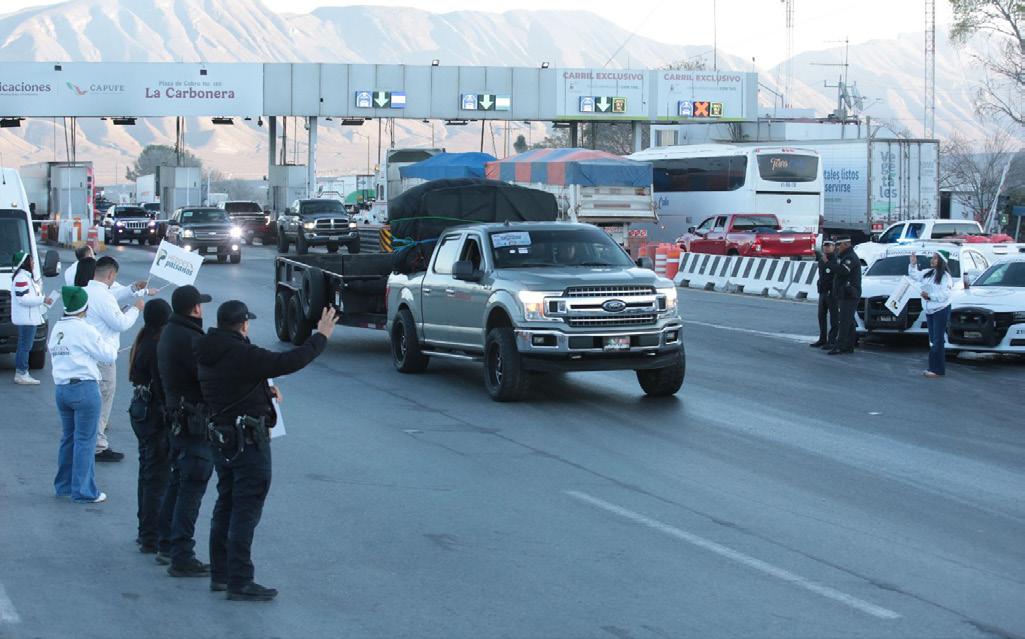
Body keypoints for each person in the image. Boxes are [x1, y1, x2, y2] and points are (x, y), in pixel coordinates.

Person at [196, 301, 336, 601]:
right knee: (245, 510)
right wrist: (321, 336)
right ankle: (240, 580)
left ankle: (221, 573)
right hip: (247, 442)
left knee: (226, 504)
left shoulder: (207, 349)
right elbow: (289, 361)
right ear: (243, 324)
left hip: (222, 438)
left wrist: (264, 390)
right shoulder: (242, 353)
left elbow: (231, 383)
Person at [156, 285, 214, 577]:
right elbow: (207, 378)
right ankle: (182, 555)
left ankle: (166, 543)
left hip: (177, 418)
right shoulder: (190, 339)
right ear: (195, 308)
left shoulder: (171, 332)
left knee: (179, 482)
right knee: (192, 486)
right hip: (192, 421)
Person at [49, 286, 117, 503]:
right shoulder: (84, 328)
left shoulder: (58, 328)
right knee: (86, 441)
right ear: (84, 307)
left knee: (68, 438)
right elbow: (108, 354)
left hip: (62, 389)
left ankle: (64, 486)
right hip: (84, 389)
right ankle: (84, 492)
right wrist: (111, 342)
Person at [86, 255, 144, 462]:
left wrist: (132, 293)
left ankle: (87, 441)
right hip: (103, 356)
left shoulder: (85, 291)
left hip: (87, 354)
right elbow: (121, 324)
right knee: (103, 399)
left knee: (92, 400)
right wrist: (136, 309)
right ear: (111, 275)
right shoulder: (104, 296)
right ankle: (98, 445)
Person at [128, 299, 173, 554]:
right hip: (153, 413)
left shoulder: (143, 339)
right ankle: (150, 536)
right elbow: (163, 385)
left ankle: (145, 530)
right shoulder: (157, 346)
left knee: (147, 471)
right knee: (157, 476)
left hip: (141, 410)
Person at [10, 250, 52, 385]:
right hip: (26, 319)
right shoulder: (22, 278)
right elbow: (23, 299)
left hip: (28, 318)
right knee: (25, 346)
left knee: (24, 346)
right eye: (32, 261)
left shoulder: (25, 277)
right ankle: (22, 373)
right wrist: (42, 299)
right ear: (25, 263)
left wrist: (42, 300)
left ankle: (22, 372)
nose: (33, 263)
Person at [908, 251, 953, 377]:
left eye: (935, 258)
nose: (932, 260)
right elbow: (915, 275)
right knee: (933, 340)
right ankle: (933, 367)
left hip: (941, 310)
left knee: (938, 340)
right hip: (930, 310)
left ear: (942, 261)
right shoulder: (929, 273)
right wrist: (913, 264)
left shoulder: (945, 277)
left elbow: (945, 294)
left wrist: (930, 296)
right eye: (932, 258)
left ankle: (937, 369)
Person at [829, 237, 861, 355]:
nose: (837, 247)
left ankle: (840, 346)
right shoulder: (843, 256)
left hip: (849, 294)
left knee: (843, 321)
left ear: (846, 244)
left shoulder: (850, 257)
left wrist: (829, 264)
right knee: (849, 321)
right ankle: (849, 345)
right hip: (844, 293)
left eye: (839, 245)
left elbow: (844, 270)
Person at [810, 240, 838, 349]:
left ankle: (832, 340)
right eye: (825, 246)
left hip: (832, 292)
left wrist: (827, 263)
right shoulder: (822, 259)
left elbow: (836, 273)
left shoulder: (835, 259)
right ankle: (822, 338)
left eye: (829, 246)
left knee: (834, 317)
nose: (826, 248)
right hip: (823, 290)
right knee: (821, 316)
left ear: (833, 247)